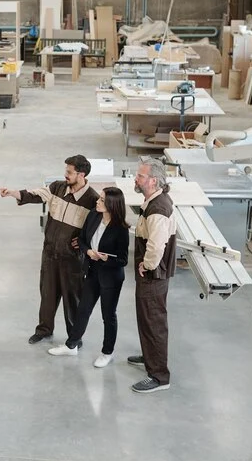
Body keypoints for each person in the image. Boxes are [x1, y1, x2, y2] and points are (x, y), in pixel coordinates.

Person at [0, 155, 99, 345]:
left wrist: (85, 242)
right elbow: (36, 194)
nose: (65, 175)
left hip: (72, 259)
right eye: (66, 171)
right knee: (47, 294)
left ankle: (74, 337)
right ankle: (44, 329)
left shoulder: (92, 199)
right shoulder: (57, 187)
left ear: (81, 174)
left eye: (69, 172)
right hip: (50, 253)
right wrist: (13, 193)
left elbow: (97, 227)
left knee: (72, 300)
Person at [47, 187, 130, 368]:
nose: (97, 202)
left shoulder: (121, 229)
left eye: (101, 200)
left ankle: (107, 352)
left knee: (108, 316)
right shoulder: (93, 215)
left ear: (111, 205)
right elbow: (83, 240)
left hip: (111, 277)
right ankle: (72, 345)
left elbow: (123, 260)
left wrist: (107, 259)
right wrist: (89, 252)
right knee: (83, 309)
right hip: (92, 271)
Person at [128, 158, 178, 394]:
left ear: (153, 180)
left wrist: (146, 266)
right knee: (147, 318)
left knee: (153, 321)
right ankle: (150, 356)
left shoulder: (158, 208)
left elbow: (157, 245)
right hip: (152, 274)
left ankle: (159, 375)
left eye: (140, 176)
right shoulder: (153, 200)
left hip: (153, 275)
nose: (136, 179)